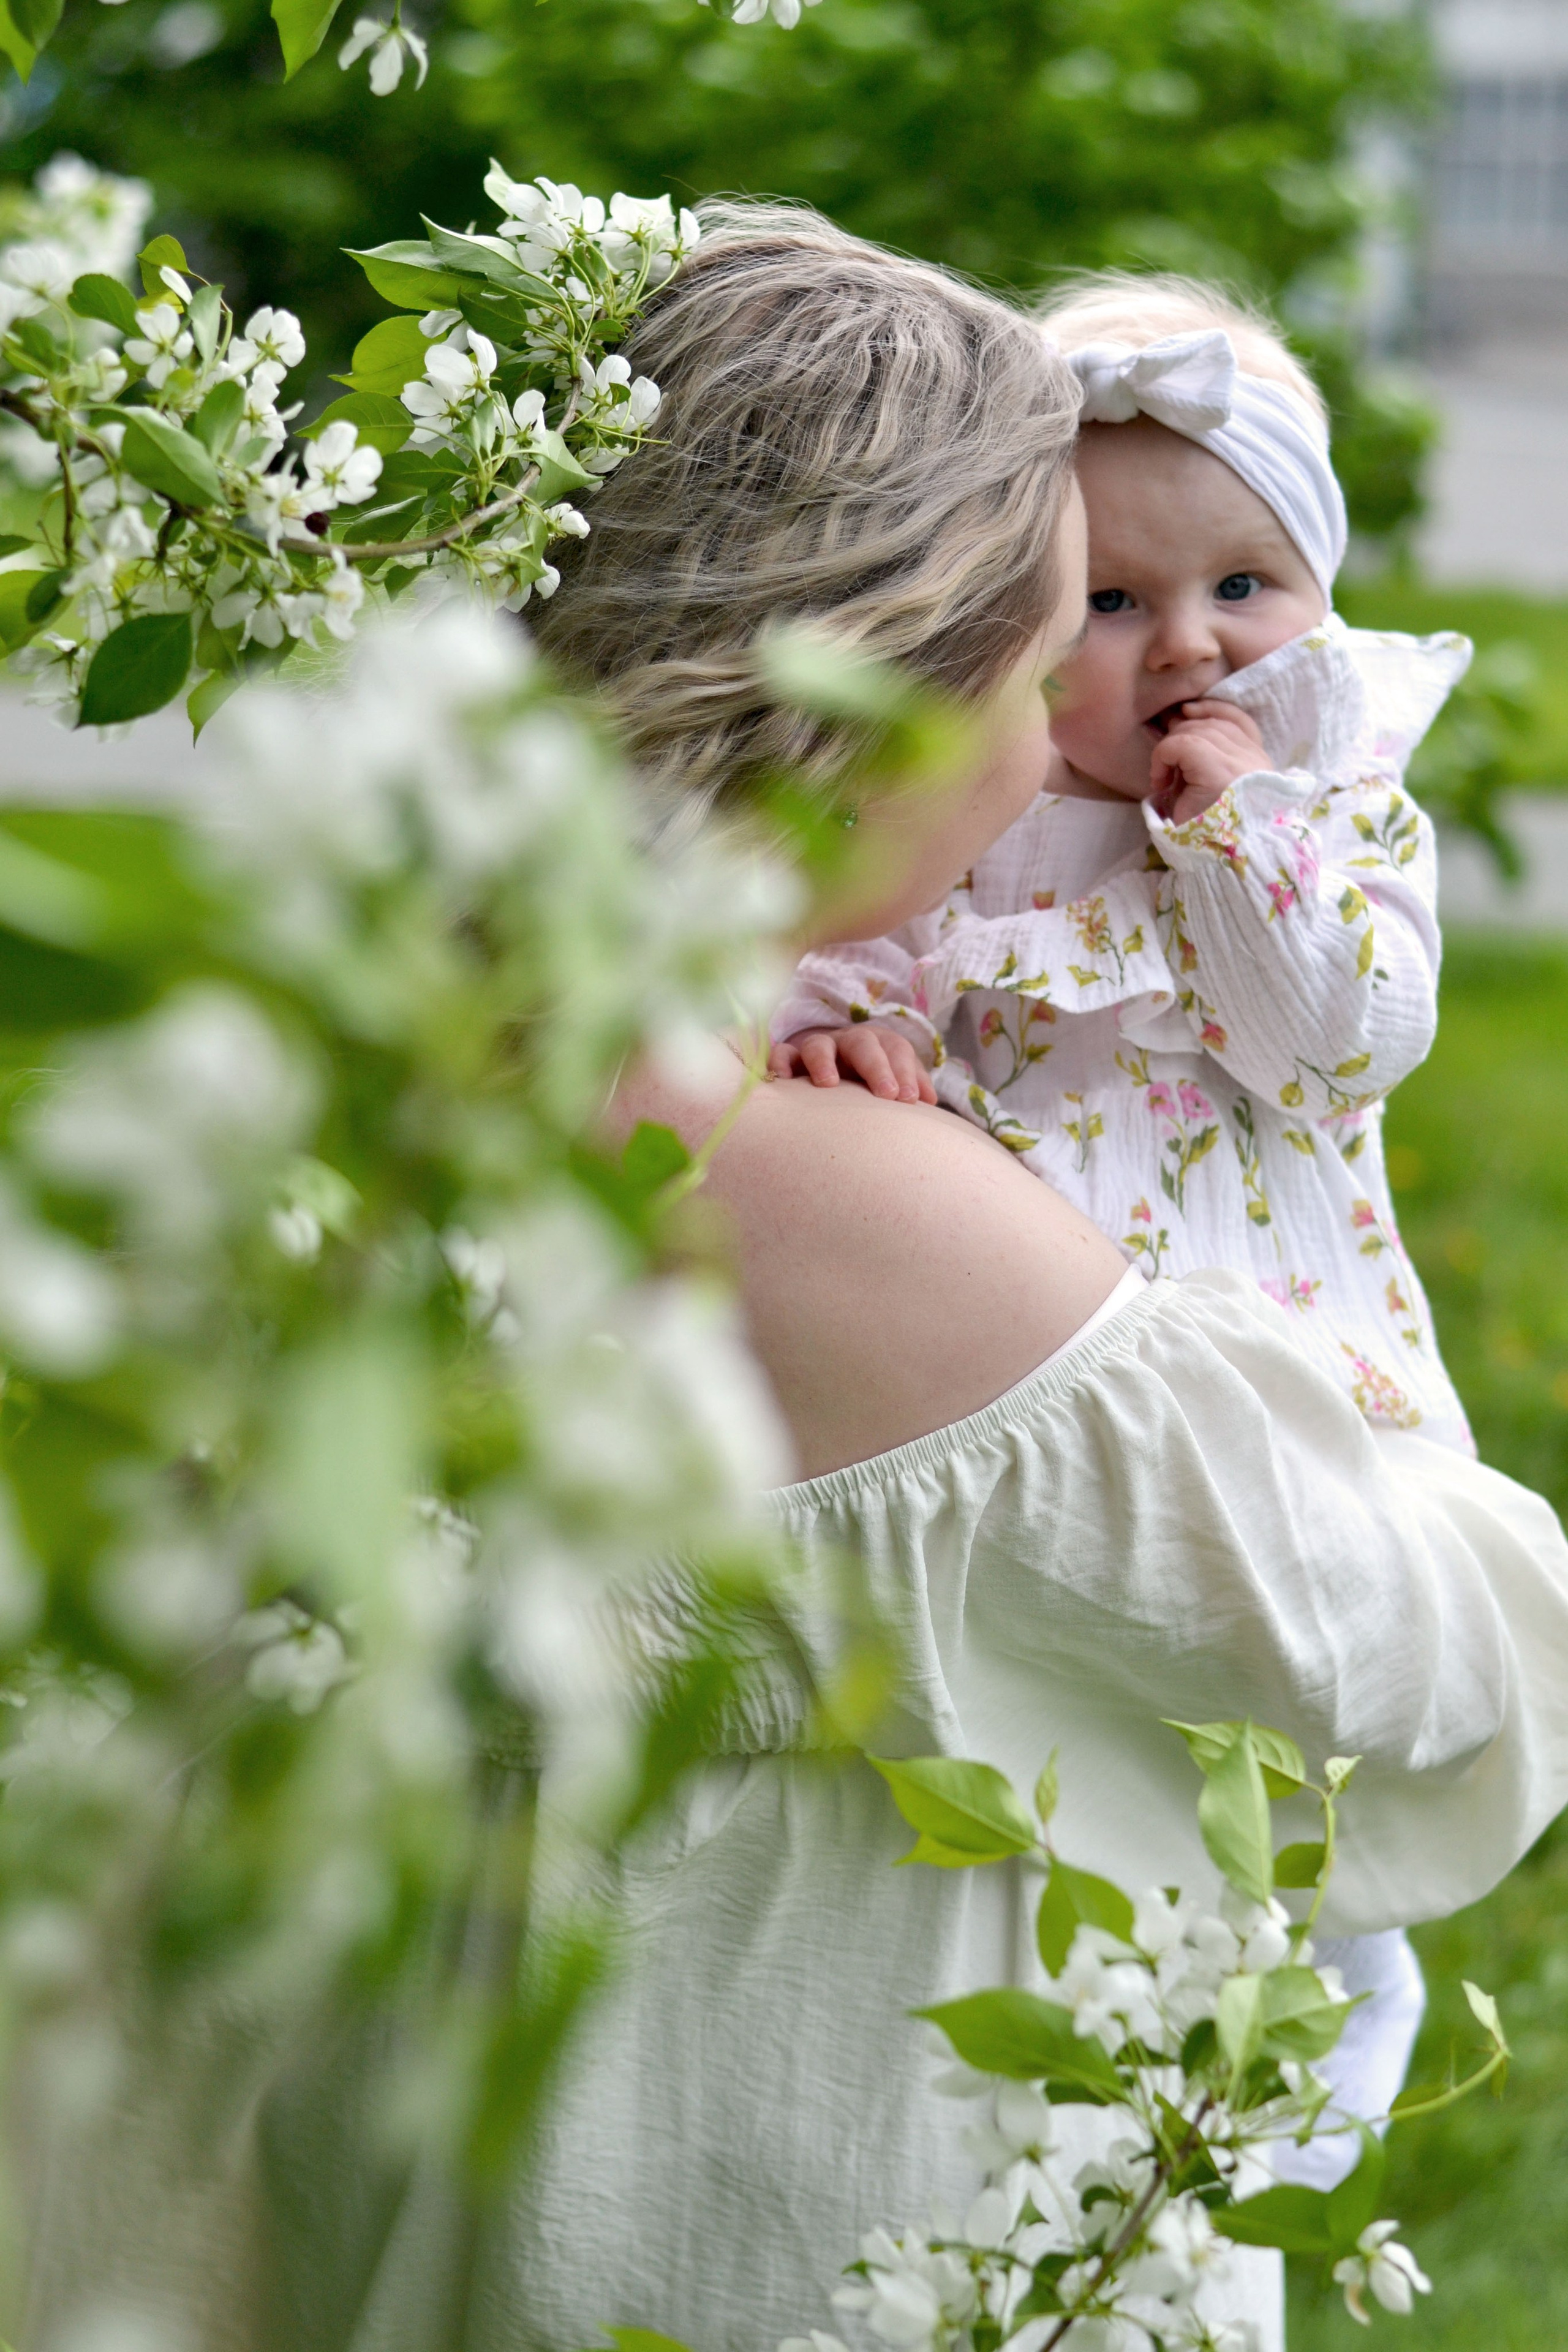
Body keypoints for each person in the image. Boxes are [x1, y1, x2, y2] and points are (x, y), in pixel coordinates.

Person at [769, 274, 1472, 1451]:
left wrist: (1241, 844)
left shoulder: (1336, 800)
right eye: (1111, 601)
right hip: (1022, 1352)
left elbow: (1347, 1050)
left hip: (1295, 1376)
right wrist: (850, 1023)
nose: (1189, 645)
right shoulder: (973, 789)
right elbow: (859, 922)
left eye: (1242, 587)